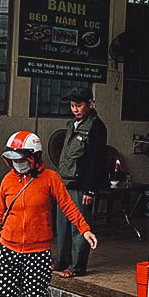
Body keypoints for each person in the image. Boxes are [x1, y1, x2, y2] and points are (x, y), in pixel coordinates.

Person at [0, 130, 97, 297]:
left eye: (22, 159)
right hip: (9, 246)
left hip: (38, 249)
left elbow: (68, 206)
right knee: (5, 293)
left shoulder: (50, 178)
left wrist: (84, 229)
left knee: (35, 291)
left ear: (34, 157)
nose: (18, 164)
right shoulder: (7, 181)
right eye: (13, 160)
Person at [55, 89, 107, 277]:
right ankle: (61, 263)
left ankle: (77, 267)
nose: (75, 109)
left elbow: (96, 160)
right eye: (72, 106)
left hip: (81, 186)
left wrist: (90, 189)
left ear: (90, 104)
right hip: (64, 184)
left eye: (79, 105)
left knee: (79, 227)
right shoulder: (72, 125)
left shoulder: (96, 127)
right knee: (62, 226)